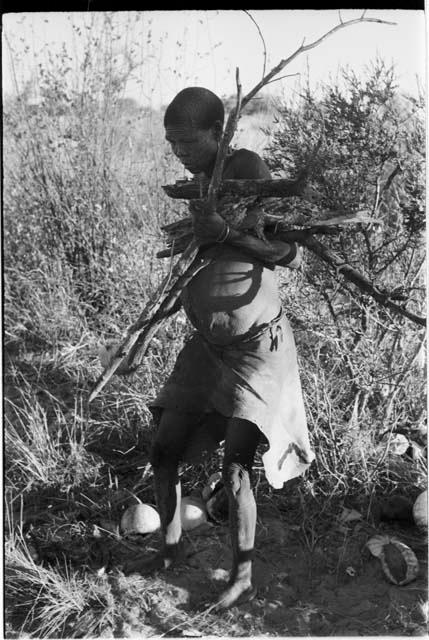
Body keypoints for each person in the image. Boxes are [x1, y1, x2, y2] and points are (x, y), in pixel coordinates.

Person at [125, 87, 314, 609]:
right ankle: (167, 551)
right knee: (163, 449)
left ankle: (241, 576)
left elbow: (287, 252)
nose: (178, 151)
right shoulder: (198, 186)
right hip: (207, 346)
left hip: (257, 346)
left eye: (187, 140)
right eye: (171, 142)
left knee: (235, 469)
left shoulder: (246, 166)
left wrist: (228, 230)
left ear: (219, 132)